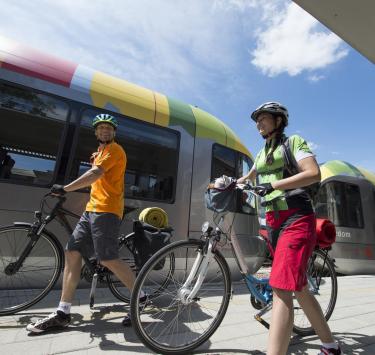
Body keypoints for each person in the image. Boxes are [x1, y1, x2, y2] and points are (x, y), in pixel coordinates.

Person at [237, 102, 341, 355]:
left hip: (296, 217)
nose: (259, 124)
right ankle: (331, 346)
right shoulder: (262, 153)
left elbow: (313, 173)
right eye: (257, 120)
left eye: (263, 119)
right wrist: (227, 183)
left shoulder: (293, 142)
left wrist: (274, 186)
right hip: (273, 222)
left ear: (278, 121)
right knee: (299, 287)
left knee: (281, 286)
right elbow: (248, 177)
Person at [26, 113, 144, 333]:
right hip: (91, 210)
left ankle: (141, 298)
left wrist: (65, 188)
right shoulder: (99, 152)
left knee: (108, 258)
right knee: (72, 252)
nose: (104, 131)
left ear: (114, 132)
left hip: (107, 210)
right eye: (100, 128)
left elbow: (94, 174)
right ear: (96, 132)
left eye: (108, 128)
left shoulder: (114, 150)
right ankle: (63, 312)